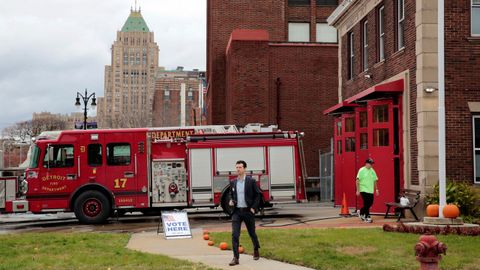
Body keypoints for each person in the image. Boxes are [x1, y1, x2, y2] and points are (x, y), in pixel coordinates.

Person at [228, 160, 262, 266]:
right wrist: (231, 200)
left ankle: (256, 249)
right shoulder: (233, 182)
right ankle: (235, 258)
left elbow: (258, 195)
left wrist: (254, 208)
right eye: (237, 167)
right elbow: (231, 194)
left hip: (248, 212)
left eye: (240, 167)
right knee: (235, 235)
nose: (238, 169)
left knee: (252, 233)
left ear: (245, 168)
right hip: (237, 212)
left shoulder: (251, 181)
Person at [356, 158, 379, 223]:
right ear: (366, 163)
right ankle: (367, 216)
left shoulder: (372, 170)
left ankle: (361, 212)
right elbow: (357, 180)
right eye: (370, 164)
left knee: (370, 203)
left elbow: (375, 180)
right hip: (363, 189)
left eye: (372, 164)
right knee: (366, 202)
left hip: (370, 190)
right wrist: (358, 190)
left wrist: (376, 189)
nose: (371, 165)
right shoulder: (361, 170)